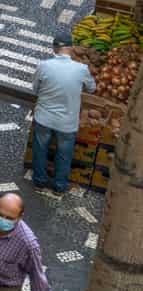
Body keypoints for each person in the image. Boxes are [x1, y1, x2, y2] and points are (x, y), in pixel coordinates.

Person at [31, 40, 96, 195]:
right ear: (71, 49)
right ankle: (59, 187)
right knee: (64, 154)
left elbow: (35, 89)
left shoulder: (44, 65)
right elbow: (92, 88)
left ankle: (39, 182)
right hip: (67, 122)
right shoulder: (82, 69)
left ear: (55, 49)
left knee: (40, 149)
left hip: (44, 118)